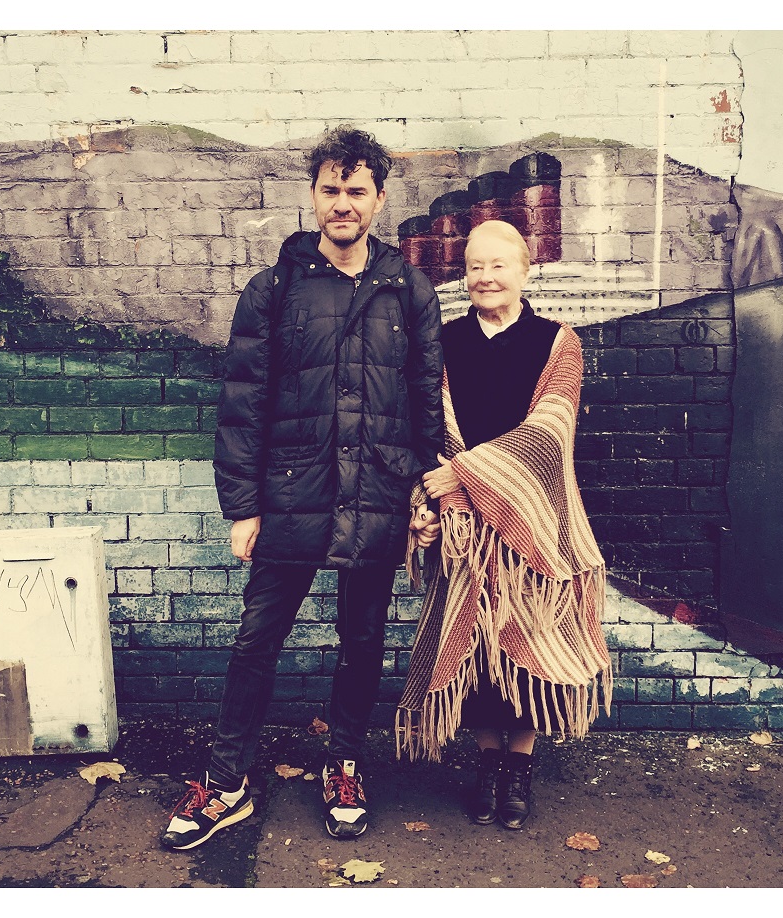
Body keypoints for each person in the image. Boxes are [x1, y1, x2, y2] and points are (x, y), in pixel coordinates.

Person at [159, 126, 446, 850]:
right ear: (314, 197)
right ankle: (227, 781)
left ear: (380, 199)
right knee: (258, 639)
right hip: (292, 494)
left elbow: (423, 401)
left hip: (377, 492)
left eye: (356, 191)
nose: (342, 203)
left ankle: (344, 764)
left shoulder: (409, 290)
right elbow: (243, 403)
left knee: (361, 639)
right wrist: (244, 507)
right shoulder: (274, 289)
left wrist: (420, 493)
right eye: (330, 190)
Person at [395, 219, 612, 830]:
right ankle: (488, 763)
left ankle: (519, 768)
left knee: (526, 652)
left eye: (498, 265)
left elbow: (550, 436)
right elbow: (428, 429)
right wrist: (432, 497)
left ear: (523, 271)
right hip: (464, 530)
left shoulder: (556, 342)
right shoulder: (443, 342)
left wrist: (465, 475)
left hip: (535, 528)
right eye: (475, 267)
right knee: (472, 653)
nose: (485, 277)